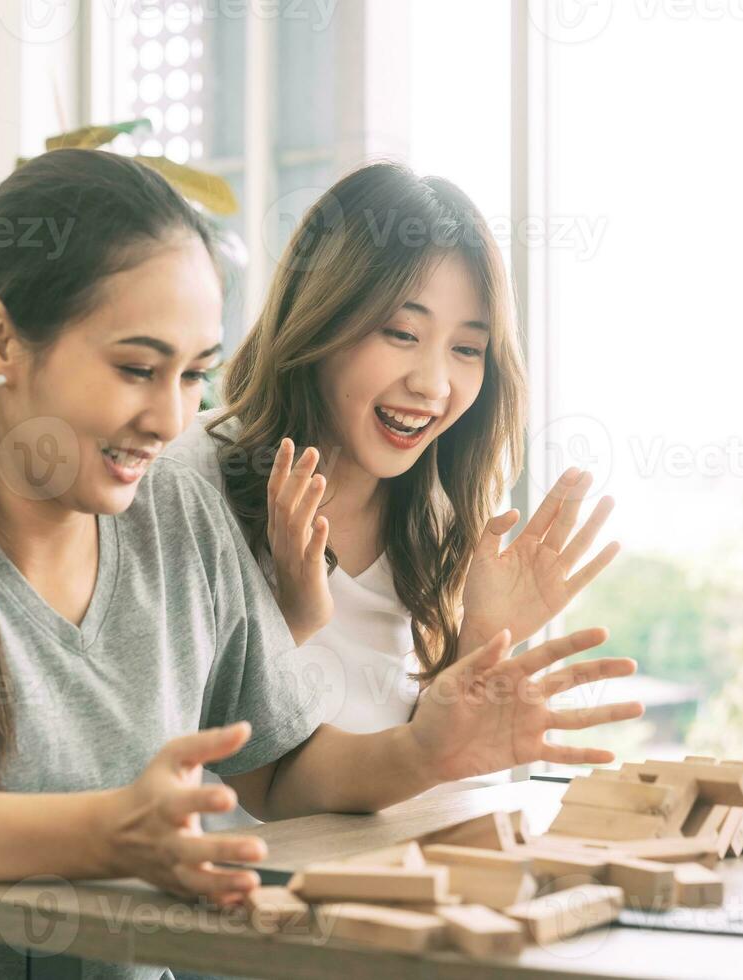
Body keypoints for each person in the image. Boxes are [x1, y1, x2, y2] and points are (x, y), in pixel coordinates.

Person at [0, 150, 643, 980]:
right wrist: (97, 831)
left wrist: (432, 745)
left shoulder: (180, 504)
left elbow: (283, 763)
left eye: (196, 373)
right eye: (135, 367)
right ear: (0, 337)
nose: (171, 417)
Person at [166, 162, 622, 737]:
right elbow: (235, 768)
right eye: (402, 334)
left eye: (467, 348)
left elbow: (426, 765)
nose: (433, 385)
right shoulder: (186, 481)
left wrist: (479, 642)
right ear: (319, 317)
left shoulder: (432, 514)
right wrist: (287, 621)